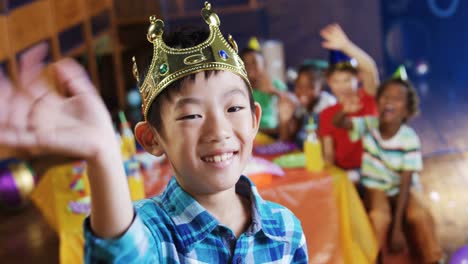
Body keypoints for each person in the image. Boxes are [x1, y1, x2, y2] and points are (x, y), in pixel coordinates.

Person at [0, 3, 307, 263]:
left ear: (255, 119)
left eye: (233, 109)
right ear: (152, 138)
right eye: (191, 115)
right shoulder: (152, 232)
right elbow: (122, 253)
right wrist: (104, 152)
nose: (219, 130)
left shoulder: (285, 229)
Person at [333, 76, 443, 263]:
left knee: (420, 215)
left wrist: (397, 228)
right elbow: (339, 123)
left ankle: (434, 258)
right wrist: (344, 111)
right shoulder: (369, 124)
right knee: (379, 217)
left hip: (401, 187)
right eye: (384, 96)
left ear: (407, 110)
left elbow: (406, 182)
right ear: (377, 102)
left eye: (397, 98)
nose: (389, 101)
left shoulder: (409, 139)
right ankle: (372, 258)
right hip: (375, 187)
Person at [318, 23, 379, 171]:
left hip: (376, 168)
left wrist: (345, 45)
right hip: (347, 173)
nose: (342, 86)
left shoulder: (369, 98)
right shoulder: (326, 114)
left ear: (357, 78)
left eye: (347, 80)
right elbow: (328, 156)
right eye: (336, 81)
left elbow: (370, 68)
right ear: (329, 83)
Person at [278, 60, 336, 147]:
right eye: (299, 86)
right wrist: (284, 121)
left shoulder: (329, 104)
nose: (303, 92)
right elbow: (287, 140)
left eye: (310, 87)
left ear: (320, 87)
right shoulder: (299, 107)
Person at [240, 44, 288, 138]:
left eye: (254, 62)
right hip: (250, 135)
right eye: (246, 63)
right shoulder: (240, 87)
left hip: (274, 133)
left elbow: (292, 104)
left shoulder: (275, 84)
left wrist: (272, 90)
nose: (250, 67)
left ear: (264, 64)